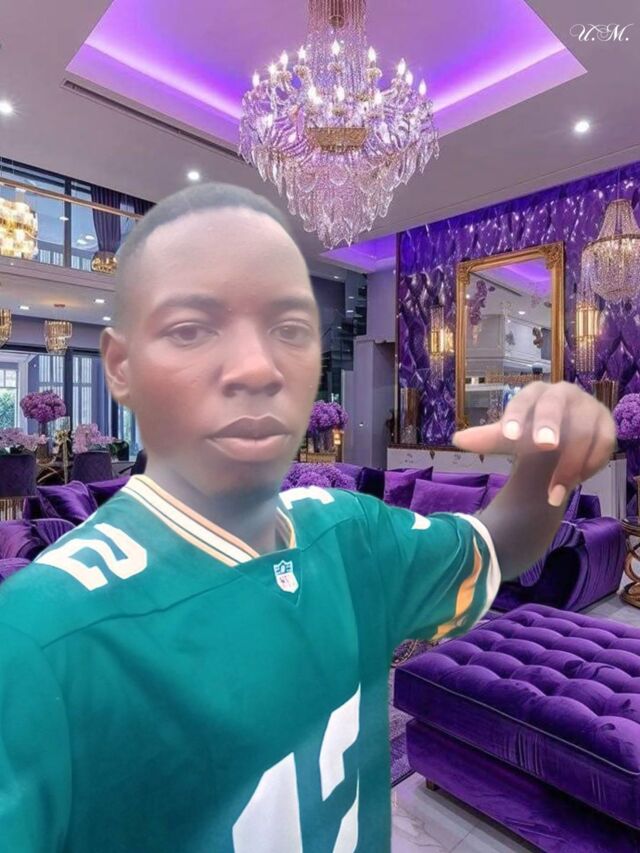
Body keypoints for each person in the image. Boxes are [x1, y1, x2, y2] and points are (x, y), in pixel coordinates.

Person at [0, 183, 616, 852]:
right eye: (192, 329)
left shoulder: (351, 531)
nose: (257, 368)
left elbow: (502, 543)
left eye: (289, 330)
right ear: (121, 366)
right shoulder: (37, 636)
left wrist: (549, 464)